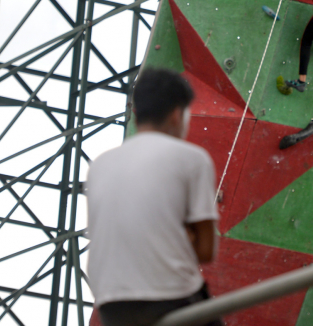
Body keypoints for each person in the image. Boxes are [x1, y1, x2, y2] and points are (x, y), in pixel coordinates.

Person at [87, 68, 222, 326]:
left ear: (137, 113)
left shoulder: (99, 166)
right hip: (171, 299)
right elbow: (206, 251)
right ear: (176, 114)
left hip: (111, 306)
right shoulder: (192, 159)